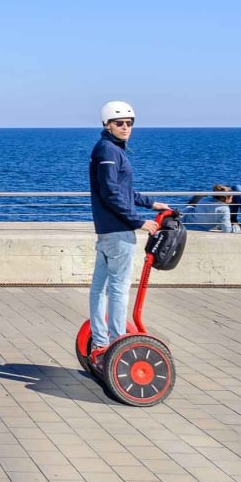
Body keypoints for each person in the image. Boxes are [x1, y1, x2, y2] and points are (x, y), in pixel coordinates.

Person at [87, 102, 169, 368]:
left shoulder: (109, 149)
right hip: (118, 231)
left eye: (129, 123)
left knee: (100, 289)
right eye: (119, 123)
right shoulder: (109, 150)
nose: (125, 128)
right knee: (119, 290)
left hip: (107, 230)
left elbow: (122, 192)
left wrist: (152, 204)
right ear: (107, 124)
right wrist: (138, 221)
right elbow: (111, 194)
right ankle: (116, 341)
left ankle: (100, 342)